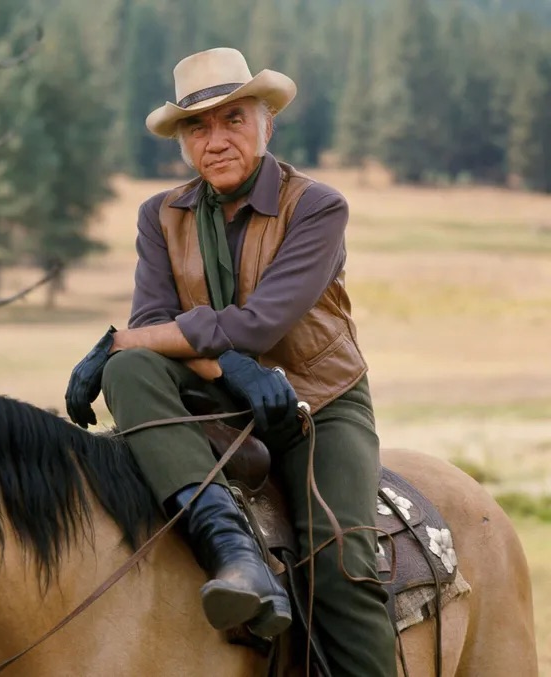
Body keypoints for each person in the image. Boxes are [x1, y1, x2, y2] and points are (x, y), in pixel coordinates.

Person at [65, 47, 396, 676]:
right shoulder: (160, 214)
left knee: (341, 566)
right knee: (130, 371)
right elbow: (151, 327)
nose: (215, 140)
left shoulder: (318, 206)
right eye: (197, 127)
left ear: (267, 123)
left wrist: (116, 341)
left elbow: (260, 324)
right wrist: (171, 357)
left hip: (312, 399)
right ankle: (232, 550)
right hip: (215, 386)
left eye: (233, 120)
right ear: (184, 141)